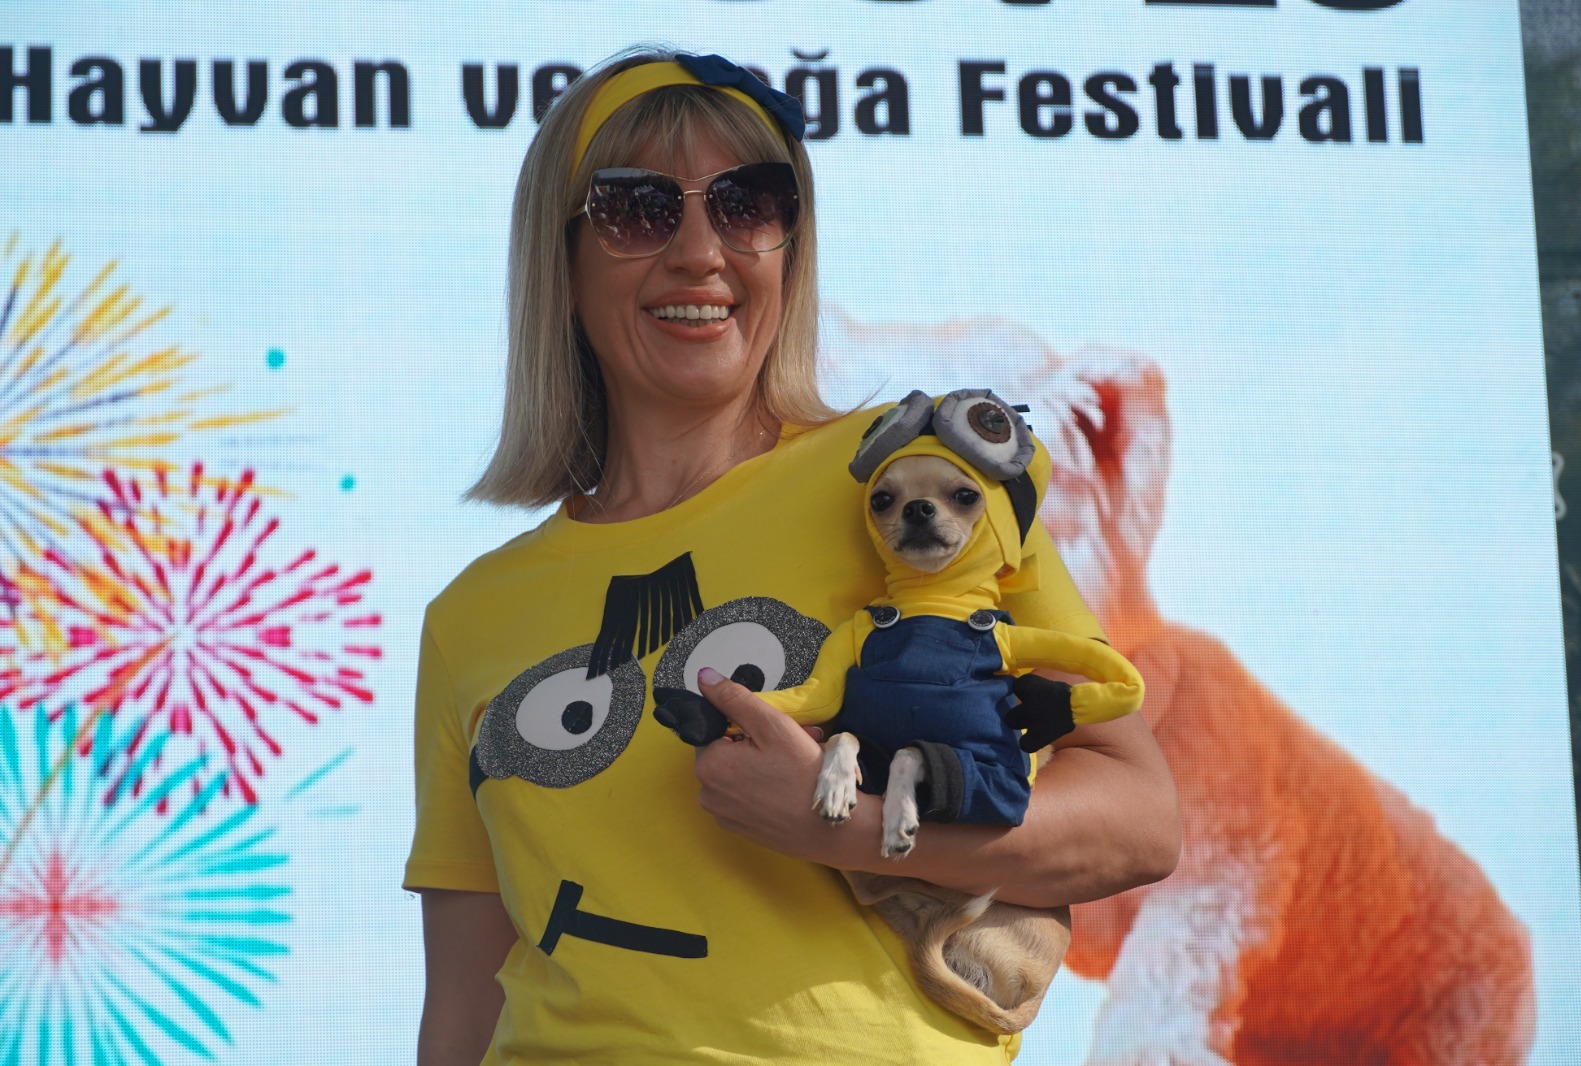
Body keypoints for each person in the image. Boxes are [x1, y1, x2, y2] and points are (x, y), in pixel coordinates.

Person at [405, 45, 1181, 1066]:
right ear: (561, 260)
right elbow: (464, 1006)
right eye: (637, 209)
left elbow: (1138, 819)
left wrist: (849, 824)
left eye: (748, 203)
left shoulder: (910, 481)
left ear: (790, 247)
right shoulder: (473, 617)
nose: (700, 252)